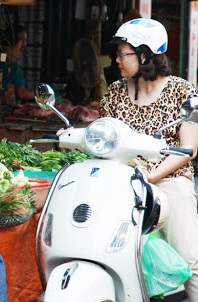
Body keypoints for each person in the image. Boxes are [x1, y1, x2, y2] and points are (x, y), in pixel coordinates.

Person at [101, 18, 198, 300]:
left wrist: (152, 177)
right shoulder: (115, 93)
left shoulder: (183, 92)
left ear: (144, 55)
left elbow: (188, 149)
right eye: (117, 53)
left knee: (190, 258)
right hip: (121, 184)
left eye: (123, 53)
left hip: (169, 181)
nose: (117, 60)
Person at [0, 24, 33, 105]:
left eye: (25, 40)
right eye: (19, 49)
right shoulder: (13, 67)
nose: (24, 44)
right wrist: (38, 94)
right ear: (8, 49)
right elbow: (22, 94)